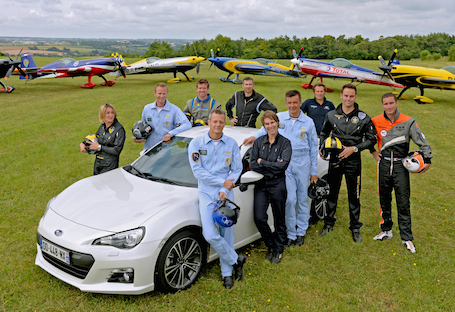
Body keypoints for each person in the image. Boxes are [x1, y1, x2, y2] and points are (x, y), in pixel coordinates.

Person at [244, 90, 319, 247]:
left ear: (300, 103)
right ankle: (290, 233)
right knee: (290, 200)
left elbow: (313, 148)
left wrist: (313, 171)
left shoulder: (308, 122)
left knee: (303, 198)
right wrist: (254, 137)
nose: (292, 106)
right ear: (286, 103)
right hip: (285, 163)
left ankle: (301, 231)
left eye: (295, 103)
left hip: (302, 162)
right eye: (289, 103)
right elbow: (267, 127)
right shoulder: (281, 118)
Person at [188, 108, 246, 289]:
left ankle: (227, 273)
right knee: (210, 235)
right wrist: (223, 183)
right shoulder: (196, 144)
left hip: (226, 194)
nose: (218, 125)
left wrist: (224, 189)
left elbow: (236, 169)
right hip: (206, 194)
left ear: (224, 123)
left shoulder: (231, 144)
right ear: (209, 121)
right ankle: (237, 260)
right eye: (215, 121)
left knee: (227, 233)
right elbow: (198, 172)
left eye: (221, 122)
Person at [370, 93, 432, 253]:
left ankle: (407, 237)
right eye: (385, 104)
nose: (389, 107)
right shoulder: (376, 121)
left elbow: (421, 141)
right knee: (384, 198)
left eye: (391, 103)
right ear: (382, 105)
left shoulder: (408, 121)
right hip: (383, 165)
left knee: (403, 201)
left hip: (401, 166)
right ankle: (386, 230)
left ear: (396, 103)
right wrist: (373, 151)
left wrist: (428, 159)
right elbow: (367, 138)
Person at [318, 84, 377, 243]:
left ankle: (355, 227)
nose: (348, 99)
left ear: (355, 97)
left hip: (353, 161)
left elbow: (372, 139)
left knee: (354, 194)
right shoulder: (331, 115)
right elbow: (323, 133)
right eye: (346, 96)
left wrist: (354, 148)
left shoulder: (364, 118)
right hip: (335, 160)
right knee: (332, 192)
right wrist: (322, 146)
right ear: (341, 96)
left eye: (351, 96)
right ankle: (329, 223)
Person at [249, 111, 292, 264]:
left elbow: (282, 166)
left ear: (277, 122)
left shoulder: (285, 143)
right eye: (267, 124)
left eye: (272, 122)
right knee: (259, 218)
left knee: (279, 218)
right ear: (264, 125)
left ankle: (279, 248)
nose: (270, 126)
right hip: (261, 184)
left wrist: (263, 162)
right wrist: (266, 164)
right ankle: (271, 244)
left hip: (277, 184)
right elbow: (252, 164)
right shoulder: (259, 141)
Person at [134, 82, 191, 150]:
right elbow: (142, 127)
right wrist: (138, 137)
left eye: (164, 93)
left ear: (167, 93)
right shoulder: (147, 109)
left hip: (165, 150)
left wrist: (170, 134)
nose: (162, 96)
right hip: (149, 149)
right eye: (159, 93)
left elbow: (187, 124)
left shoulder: (174, 109)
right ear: (155, 93)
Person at [79, 102, 126, 175]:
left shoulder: (119, 129)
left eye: (112, 112)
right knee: (97, 185)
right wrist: (83, 144)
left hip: (110, 165)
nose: (110, 115)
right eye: (107, 113)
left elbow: (117, 150)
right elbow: (95, 139)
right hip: (98, 163)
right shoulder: (102, 127)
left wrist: (99, 147)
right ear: (102, 114)